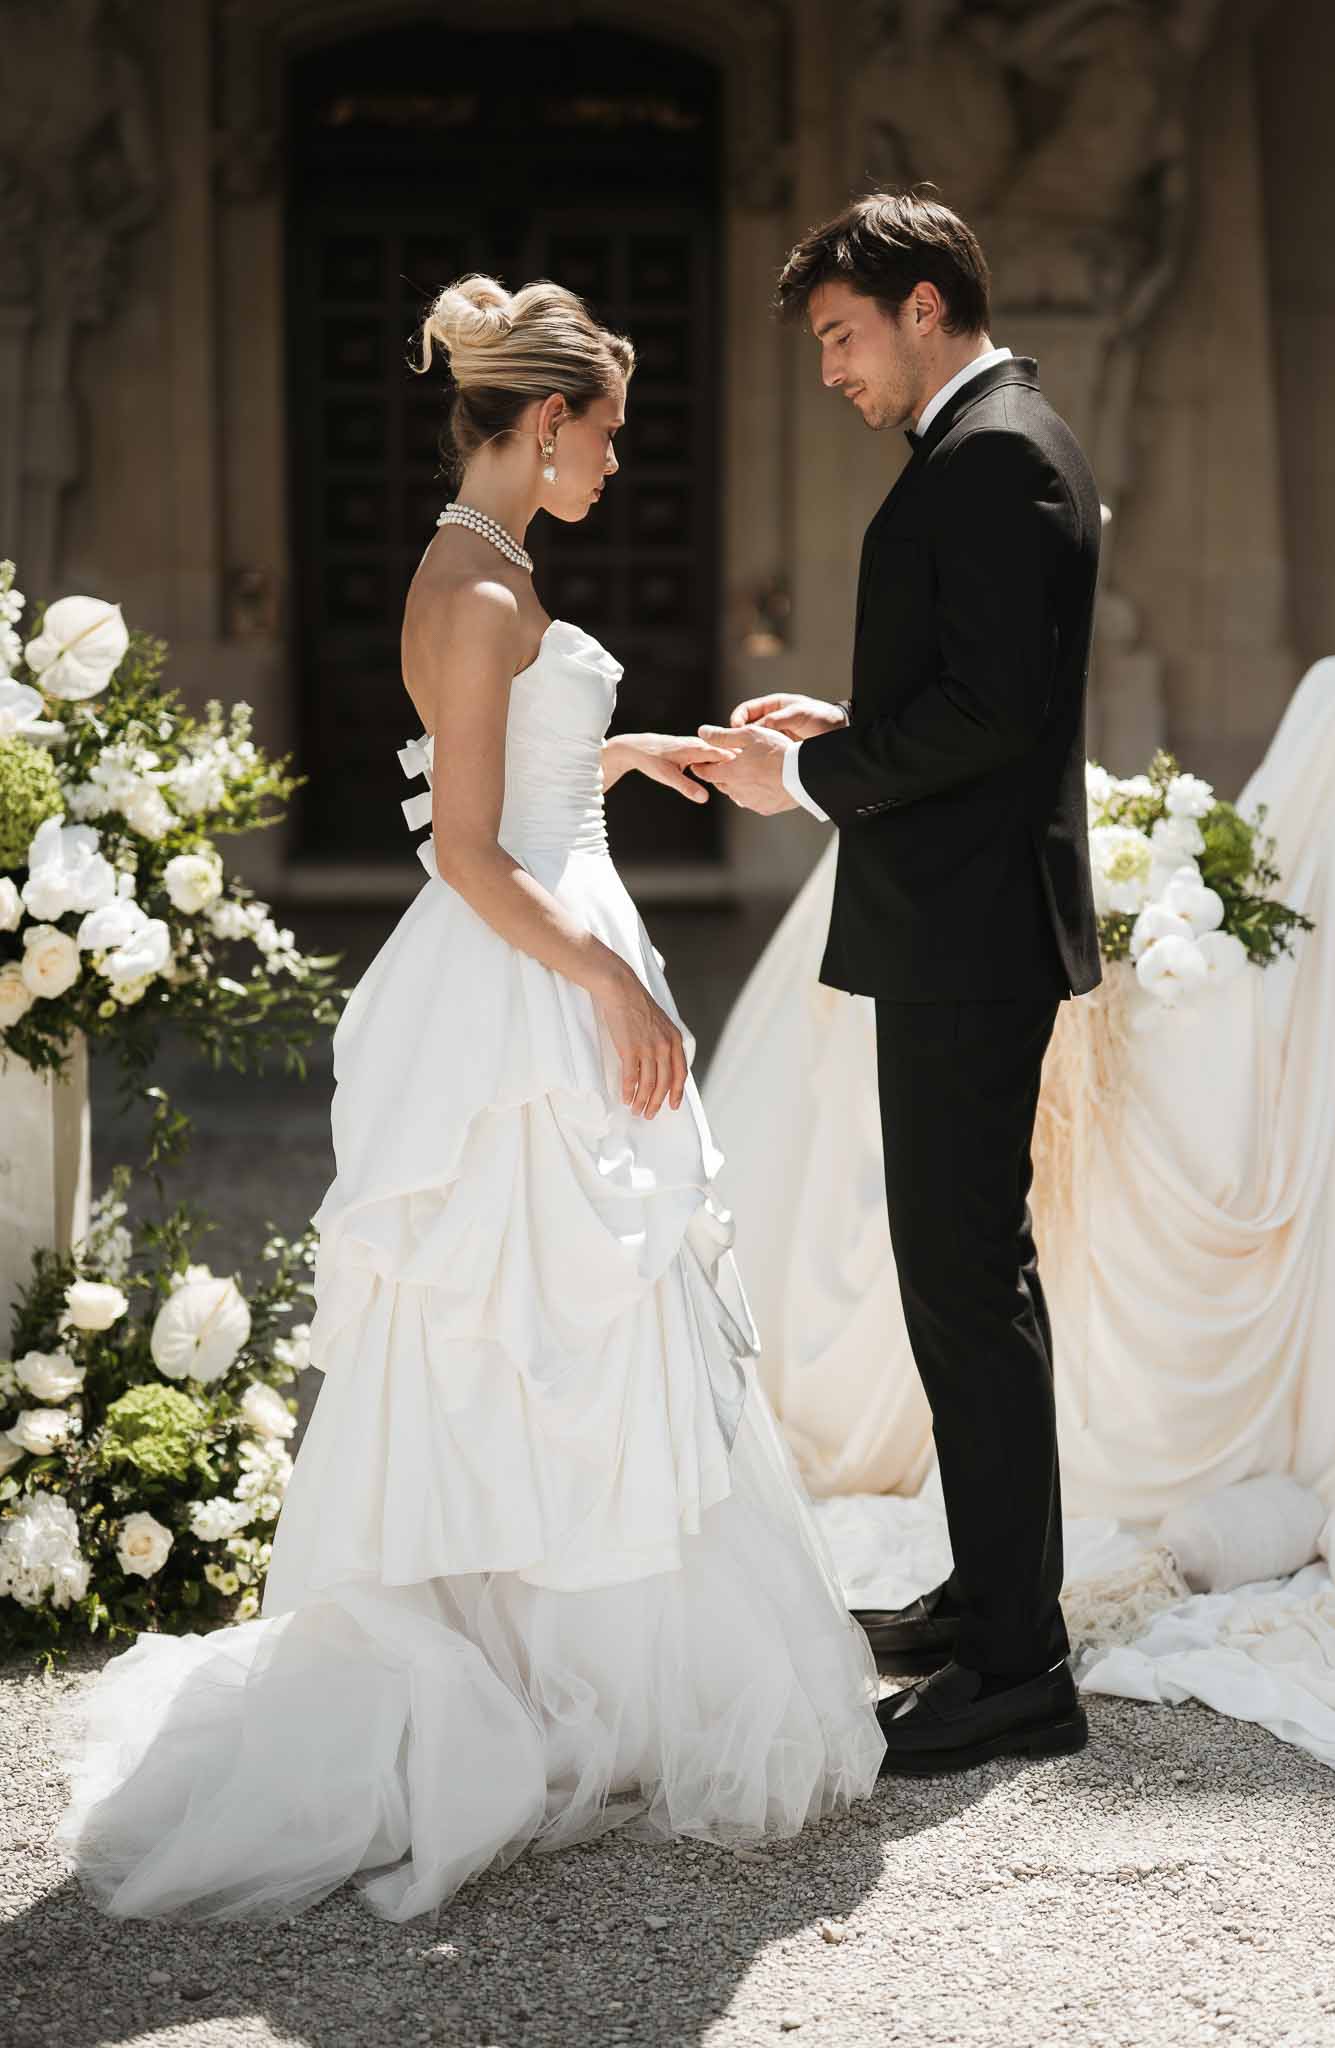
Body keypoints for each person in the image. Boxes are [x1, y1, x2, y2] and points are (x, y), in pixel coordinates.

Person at [53, 274, 884, 1924]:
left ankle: (572, 1652)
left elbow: (504, 775)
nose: (618, 467)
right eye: (609, 438)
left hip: (555, 924)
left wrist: (621, 756)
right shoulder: (478, 583)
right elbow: (466, 852)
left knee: (580, 1313)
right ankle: (512, 1664)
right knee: (522, 1303)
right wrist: (614, 987)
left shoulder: (492, 560)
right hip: (524, 971)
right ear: (549, 421)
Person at [698, 189, 1103, 1775]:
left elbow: (993, 718)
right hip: (964, 926)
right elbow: (973, 690)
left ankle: (1020, 1671)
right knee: (962, 1281)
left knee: (967, 1285)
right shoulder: (984, 445)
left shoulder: (1000, 454)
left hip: (973, 937)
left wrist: (805, 781)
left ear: (925, 305)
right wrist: (842, 727)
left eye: (842, 336)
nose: (831, 372)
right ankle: (996, 1599)